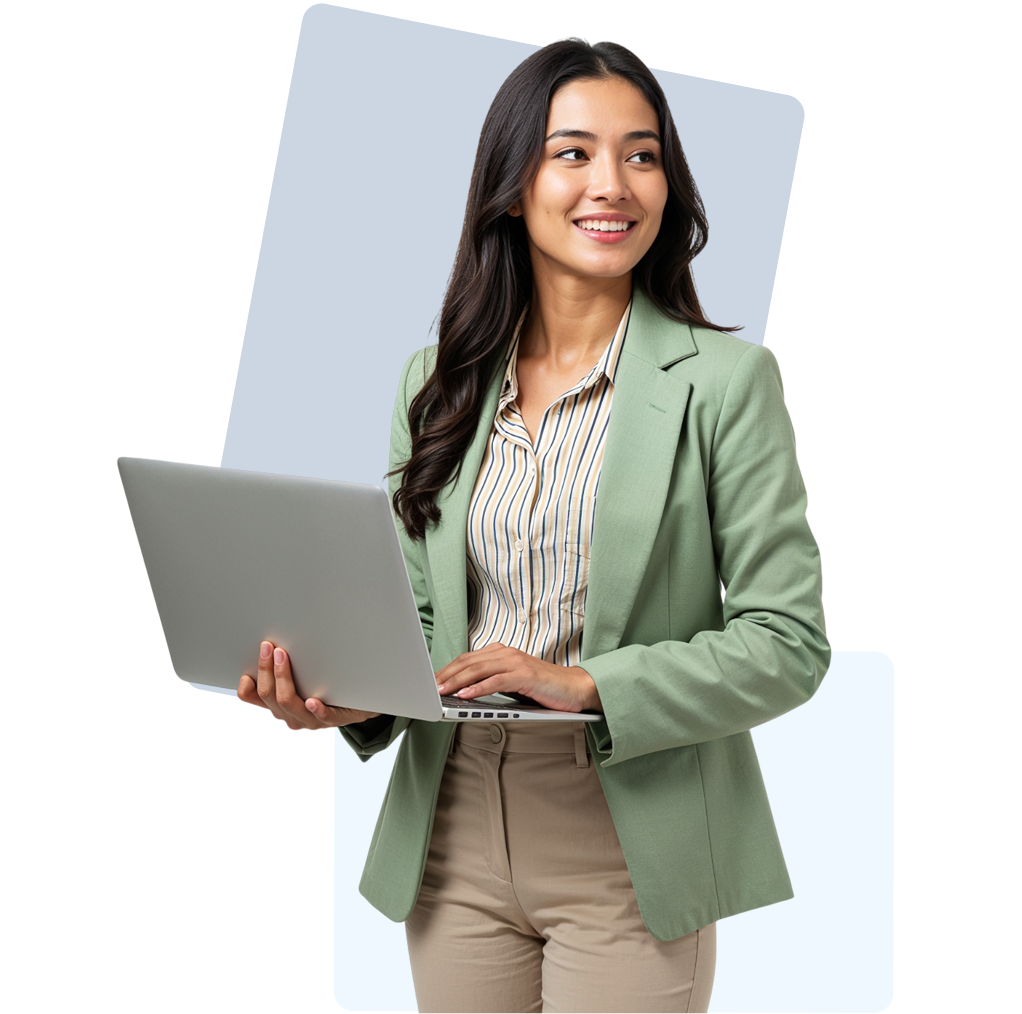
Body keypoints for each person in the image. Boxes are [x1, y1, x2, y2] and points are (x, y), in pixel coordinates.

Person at [237, 37, 829, 1014]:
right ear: (510, 187)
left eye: (641, 155)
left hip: (627, 838)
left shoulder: (726, 386)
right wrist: (350, 698)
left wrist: (582, 681)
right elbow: (425, 625)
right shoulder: (433, 386)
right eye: (573, 153)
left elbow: (786, 645)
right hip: (451, 830)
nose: (614, 184)